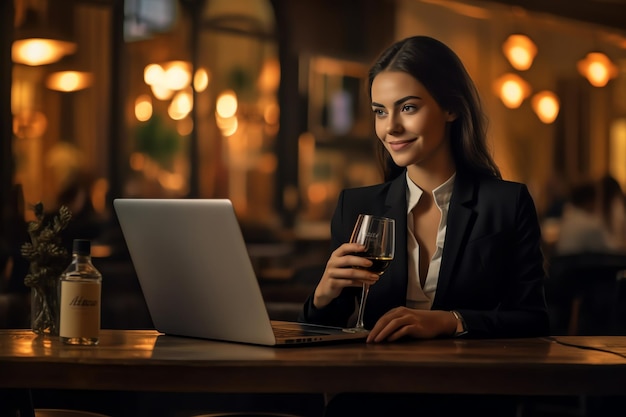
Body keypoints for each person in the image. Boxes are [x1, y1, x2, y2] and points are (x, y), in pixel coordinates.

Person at [298, 35, 550, 416]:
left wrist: (449, 322)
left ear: (450, 107)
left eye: (408, 107)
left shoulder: (506, 203)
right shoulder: (357, 205)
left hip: (470, 398)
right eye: (380, 111)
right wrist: (322, 296)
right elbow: (326, 330)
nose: (391, 128)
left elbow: (534, 319)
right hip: (374, 397)